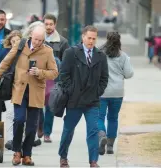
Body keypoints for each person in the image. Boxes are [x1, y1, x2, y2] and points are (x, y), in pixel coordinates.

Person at [0, 24, 58, 166]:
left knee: (32, 126)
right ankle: (17, 152)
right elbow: (6, 61)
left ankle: (27, 154)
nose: (37, 42)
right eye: (35, 39)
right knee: (19, 120)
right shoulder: (21, 45)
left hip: (36, 92)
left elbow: (54, 72)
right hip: (19, 90)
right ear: (31, 35)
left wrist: (40, 72)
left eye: (41, 40)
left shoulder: (47, 51)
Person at [58, 25, 108, 167]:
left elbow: (104, 78)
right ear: (83, 37)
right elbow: (63, 75)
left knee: (93, 131)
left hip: (92, 101)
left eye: (94, 38)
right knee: (68, 130)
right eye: (89, 38)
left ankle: (93, 161)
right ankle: (63, 157)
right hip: (74, 100)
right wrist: (71, 90)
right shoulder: (70, 53)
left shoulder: (100, 56)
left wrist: (98, 91)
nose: (91, 41)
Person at [98, 31, 134, 155]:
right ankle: (110, 146)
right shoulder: (123, 56)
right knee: (113, 118)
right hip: (117, 92)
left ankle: (101, 134)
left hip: (102, 91)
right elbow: (129, 74)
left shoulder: (100, 53)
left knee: (100, 117)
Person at [36, 13, 69, 144]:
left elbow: (66, 62)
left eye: (51, 24)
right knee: (37, 104)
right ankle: (40, 126)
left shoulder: (62, 42)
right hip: (37, 76)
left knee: (50, 106)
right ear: (42, 24)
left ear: (55, 25)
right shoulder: (37, 38)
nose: (48, 27)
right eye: (46, 24)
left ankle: (47, 133)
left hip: (53, 79)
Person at [0, 30, 23, 150]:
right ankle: (10, 139)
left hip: (21, 87)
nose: (15, 43)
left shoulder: (24, 53)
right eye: (13, 41)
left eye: (18, 41)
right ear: (9, 42)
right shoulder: (5, 53)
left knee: (20, 115)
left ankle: (19, 138)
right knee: (10, 113)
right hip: (8, 86)